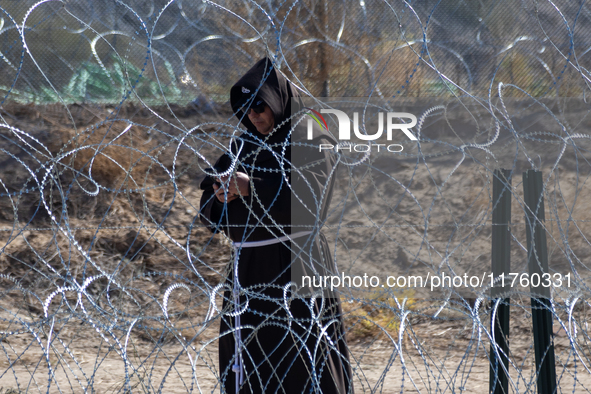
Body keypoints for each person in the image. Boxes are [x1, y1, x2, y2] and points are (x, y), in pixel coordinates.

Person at [199, 57, 353, 394]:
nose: (253, 114)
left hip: (295, 264)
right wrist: (223, 197)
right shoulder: (243, 145)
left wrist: (250, 188)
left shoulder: (309, 136)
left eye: (260, 105)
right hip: (250, 271)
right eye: (245, 107)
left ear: (278, 101)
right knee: (251, 361)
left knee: (304, 356)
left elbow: (311, 202)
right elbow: (209, 211)